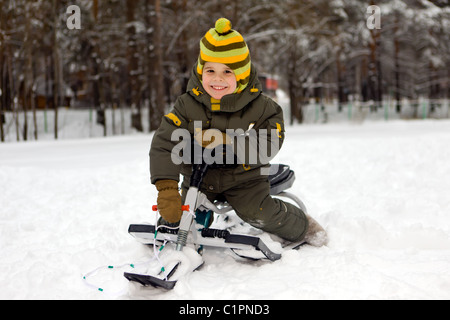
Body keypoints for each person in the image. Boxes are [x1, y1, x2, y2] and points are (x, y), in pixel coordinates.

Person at [149, 18, 327, 246]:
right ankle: (192, 223)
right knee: (174, 217)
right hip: (198, 180)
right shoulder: (186, 104)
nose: (217, 79)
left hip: (244, 179)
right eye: (210, 70)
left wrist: (229, 145)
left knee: (258, 212)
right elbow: (165, 142)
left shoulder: (261, 106)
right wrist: (166, 188)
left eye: (227, 72)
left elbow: (270, 139)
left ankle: (303, 226)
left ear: (241, 75)